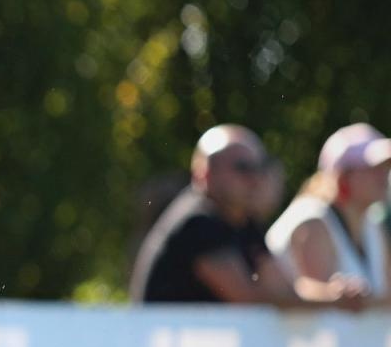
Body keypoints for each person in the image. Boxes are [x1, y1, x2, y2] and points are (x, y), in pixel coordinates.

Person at [128, 124, 359, 307]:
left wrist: (334, 295)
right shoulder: (197, 222)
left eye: (260, 167)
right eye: (242, 167)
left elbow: (282, 290)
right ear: (204, 174)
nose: (254, 178)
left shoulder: (245, 222)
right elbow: (249, 299)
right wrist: (331, 300)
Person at [266, 123, 391, 302]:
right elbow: (318, 309)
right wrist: (332, 293)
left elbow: (385, 298)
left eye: (385, 167)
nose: (383, 176)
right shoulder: (312, 222)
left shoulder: (372, 225)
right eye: (372, 168)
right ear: (343, 176)